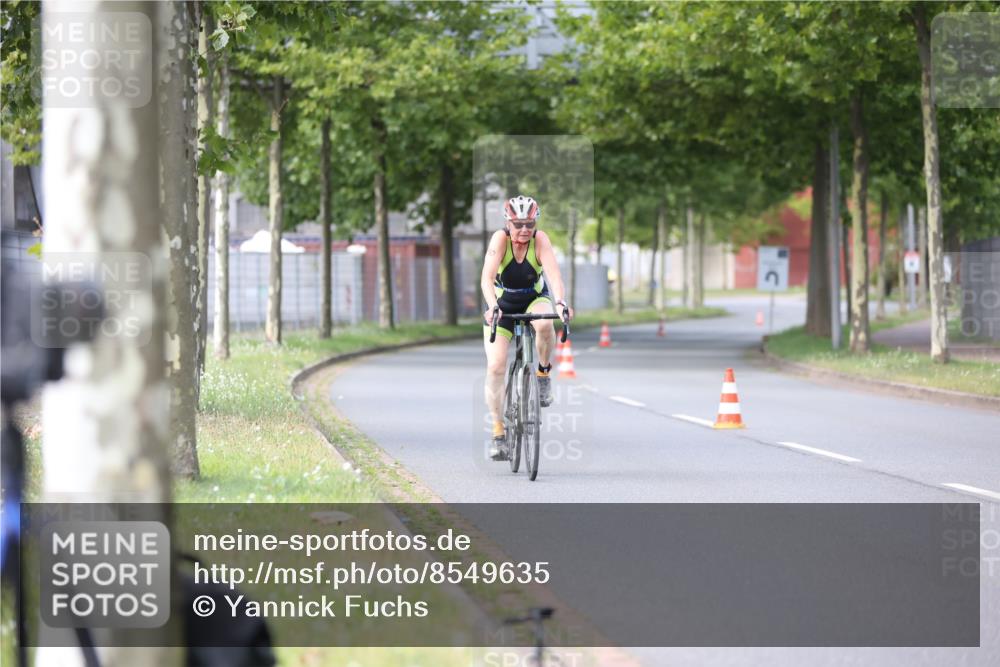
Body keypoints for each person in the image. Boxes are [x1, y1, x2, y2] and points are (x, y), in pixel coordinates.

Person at [481, 195, 572, 461]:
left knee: (545, 322)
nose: (524, 229)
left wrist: (560, 302)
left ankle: (542, 374)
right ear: (508, 223)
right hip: (502, 303)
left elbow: (554, 276)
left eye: (529, 224)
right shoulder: (500, 240)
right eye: (518, 224)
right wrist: (493, 306)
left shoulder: (540, 240)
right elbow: (486, 278)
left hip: (534, 298)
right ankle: (498, 432)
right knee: (495, 366)